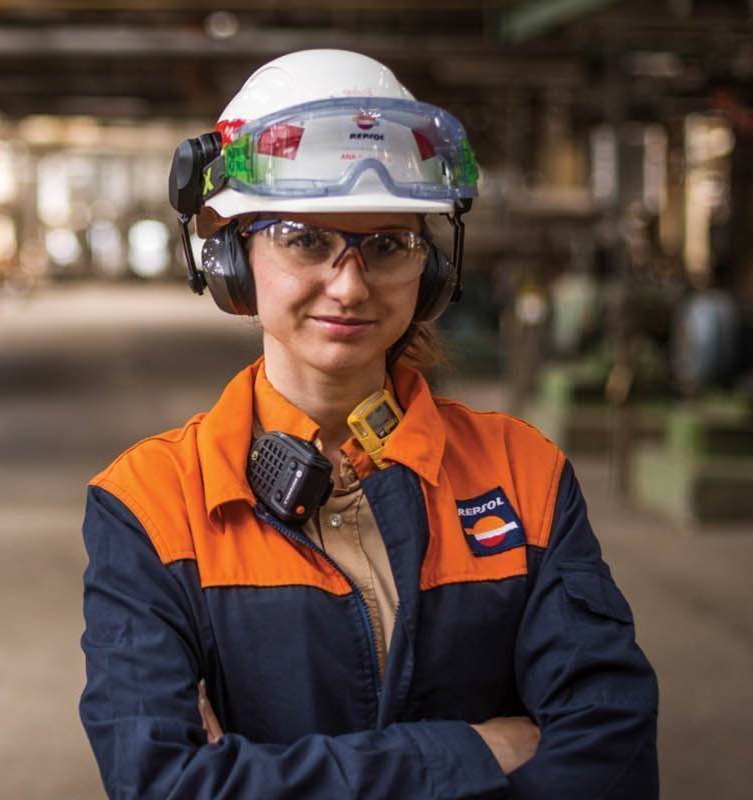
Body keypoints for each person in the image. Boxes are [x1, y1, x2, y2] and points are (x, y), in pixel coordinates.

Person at [80, 49, 658, 799]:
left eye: (388, 244)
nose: (349, 285)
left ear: (433, 269)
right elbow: (165, 783)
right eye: (305, 238)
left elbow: (607, 755)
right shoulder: (152, 504)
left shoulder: (522, 473)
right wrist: (473, 752)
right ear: (229, 253)